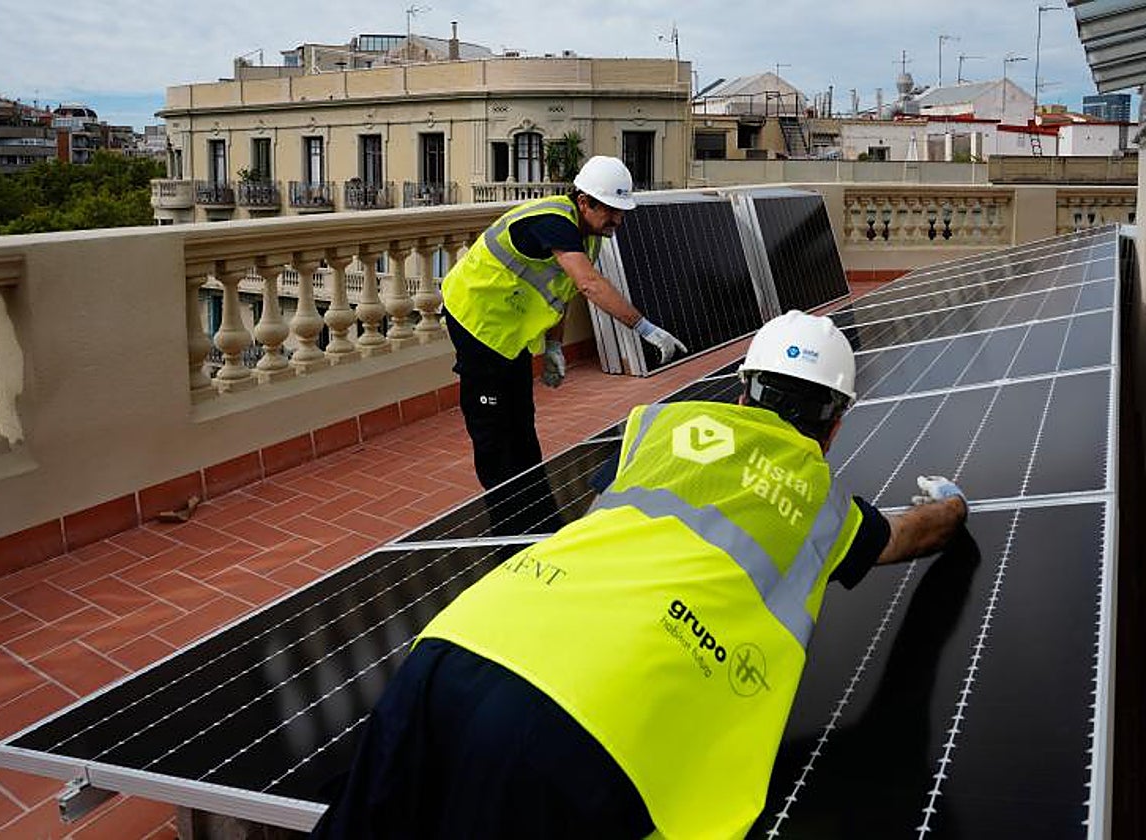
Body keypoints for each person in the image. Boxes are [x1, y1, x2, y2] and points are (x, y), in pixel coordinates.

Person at [311, 311, 969, 840]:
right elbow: (915, 535)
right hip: (589, 726)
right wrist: (952, 505)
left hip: (459, 645)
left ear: (743, 391)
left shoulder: (657, 424)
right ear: (835, 425)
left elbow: (601, 516)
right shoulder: (823, 507)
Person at [440, 155, 687, 493]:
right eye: (610, 210)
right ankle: (505, 512)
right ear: (583, 202)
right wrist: (644, 328)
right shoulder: (553, 221)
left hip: (507, 329)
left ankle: (533, 500)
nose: (618, 219)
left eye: (621, 211)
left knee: (521, 418)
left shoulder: (589, 237)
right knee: (494, 429)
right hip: (475, 318)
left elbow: (563, 292)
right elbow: (589, 284)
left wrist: (554, 344)